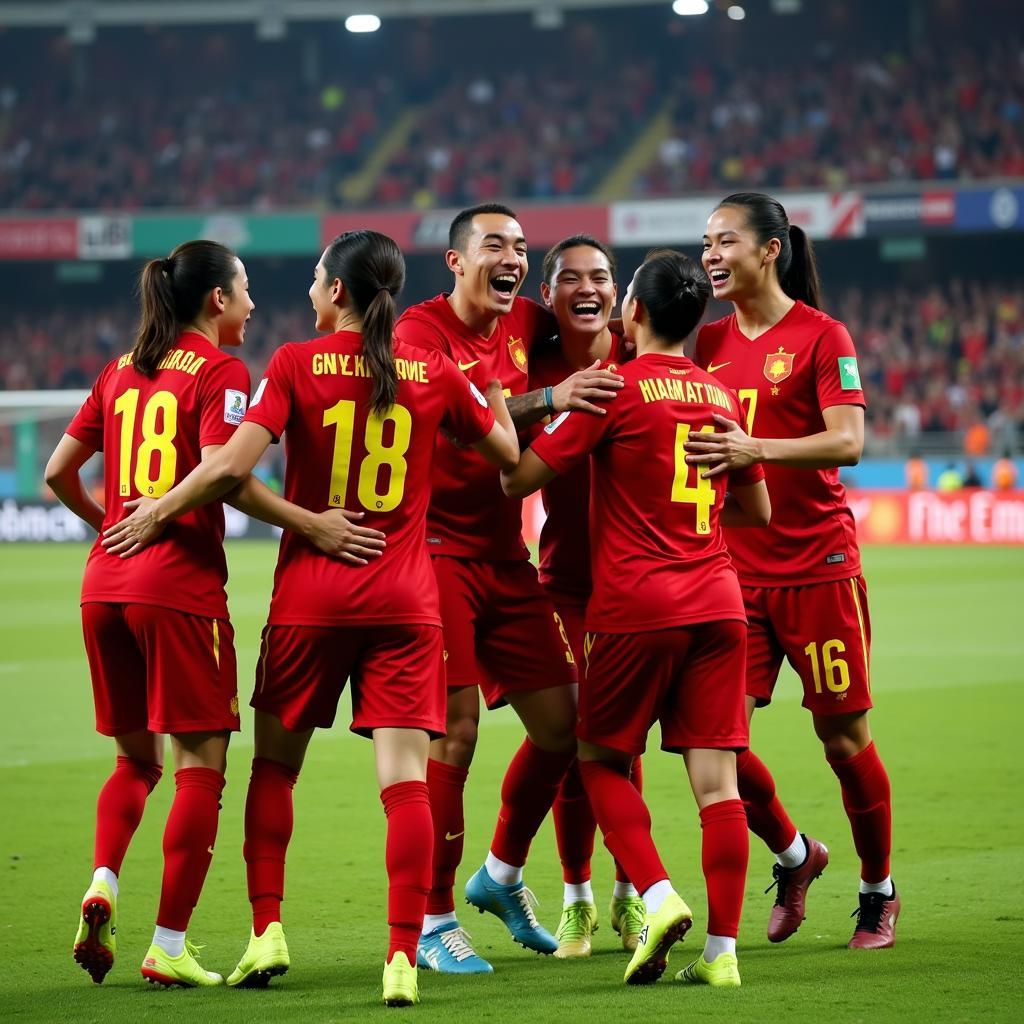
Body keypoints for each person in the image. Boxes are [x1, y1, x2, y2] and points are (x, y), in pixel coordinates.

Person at [102, 230, 520, 1006]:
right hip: (405, 601)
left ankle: (267, 932)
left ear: (335, 293)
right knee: (404, 785)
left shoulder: (293, 363)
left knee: (273, 770)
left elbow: (230, 467)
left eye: (317, 282)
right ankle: (401, 955)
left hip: (310, 603)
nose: (305, 295)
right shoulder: (432, 368)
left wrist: (161, 509)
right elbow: (506, 450)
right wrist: (485, 384)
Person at [49, 241, 371, 990]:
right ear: (217, 301)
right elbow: (224, 474)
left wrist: (110, 527)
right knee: (201, 767)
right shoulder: (223, 371)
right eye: (247, 290)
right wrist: (309, 521)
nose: (255, 305)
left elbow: (57, 471)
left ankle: (103, 880)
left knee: (134, 761)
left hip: (105, 584)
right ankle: (168, 943)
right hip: (178, 588)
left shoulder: (120, 368)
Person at [502, 249, 771, 988]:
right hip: (720, 602)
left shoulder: (613, 390)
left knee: (596, 758)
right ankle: (722, 956)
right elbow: (759, 508)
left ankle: (652, 895)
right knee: (717, 784)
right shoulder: (723, 396)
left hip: (635, 607)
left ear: (637, 313)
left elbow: (520, 477)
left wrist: (506, 421)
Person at [392, 203, 625, 974]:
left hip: (506, 557)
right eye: (496, 245)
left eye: (522, 248)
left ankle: (497, 875)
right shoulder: (420, 333)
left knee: (567, 728)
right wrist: (552, 400)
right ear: (455, 261)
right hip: (433, 555)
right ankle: (431, 922)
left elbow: (591, 326)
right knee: (454, 733)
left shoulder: (525, 321)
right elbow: (460, 423)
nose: (513, 259)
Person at [688, 192, 899, 950]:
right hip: (729, 575)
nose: (711, 254)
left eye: (726, 241)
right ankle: (795, 852)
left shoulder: (820, 335)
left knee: (843, 741)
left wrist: (757, 450)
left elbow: (848, 442)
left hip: (817, 565)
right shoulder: (703, 342)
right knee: (718, 742)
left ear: (770, 248)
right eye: (706, 243)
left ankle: (878, 890)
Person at [527, 234, 646, 958]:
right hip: (565, 580)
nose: (587, 287)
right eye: (570, 277)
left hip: (639, 585)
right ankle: (577, 899)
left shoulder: (644, 349)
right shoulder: (531, 360)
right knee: (576, 737)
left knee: (622, 744)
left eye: (600, 275)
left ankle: (633, 893)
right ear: (549, 294)